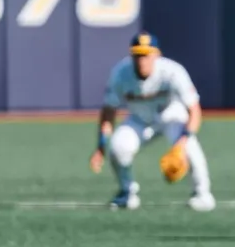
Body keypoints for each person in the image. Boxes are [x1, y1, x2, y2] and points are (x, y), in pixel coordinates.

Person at [89, 31, 216, 212]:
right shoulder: (120, 73)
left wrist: (182, 141)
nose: (142, 60)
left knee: (189, 148)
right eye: (138, 55)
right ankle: (127, 192)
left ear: (157, 55)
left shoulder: (173, 72)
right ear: (131, 55)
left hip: (170, 115)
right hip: (138, 119)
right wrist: (101, 146)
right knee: (118, 148)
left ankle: (202, 194)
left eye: (147, 55)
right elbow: (108, 111)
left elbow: (194, 110)